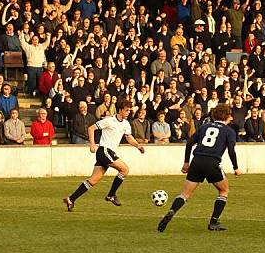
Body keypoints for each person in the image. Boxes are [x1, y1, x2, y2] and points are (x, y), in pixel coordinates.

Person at [158, 103, 241, 233]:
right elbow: (231, 150)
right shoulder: (229, 131)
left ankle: (172, 211)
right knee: (224, 190)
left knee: (185, 194)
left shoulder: (204, 127)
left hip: (196, 161)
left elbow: (190, 143)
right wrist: (236, 167)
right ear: (227, 116)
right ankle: (214, 222)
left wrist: (186, 162)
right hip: (212, 162)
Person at [63, 100, 145, 210]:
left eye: (129, 111)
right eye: (126, 110)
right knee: (124, 170)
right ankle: (111, 195)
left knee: (93, 180)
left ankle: (71, 199)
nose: (128, 113)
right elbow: (91, 128)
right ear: (120, 110)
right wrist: (92, 144)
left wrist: (138, 146)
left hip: (108, 154)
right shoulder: (109, 121)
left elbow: (129, 137)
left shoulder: (126, 124)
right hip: (105, 151)